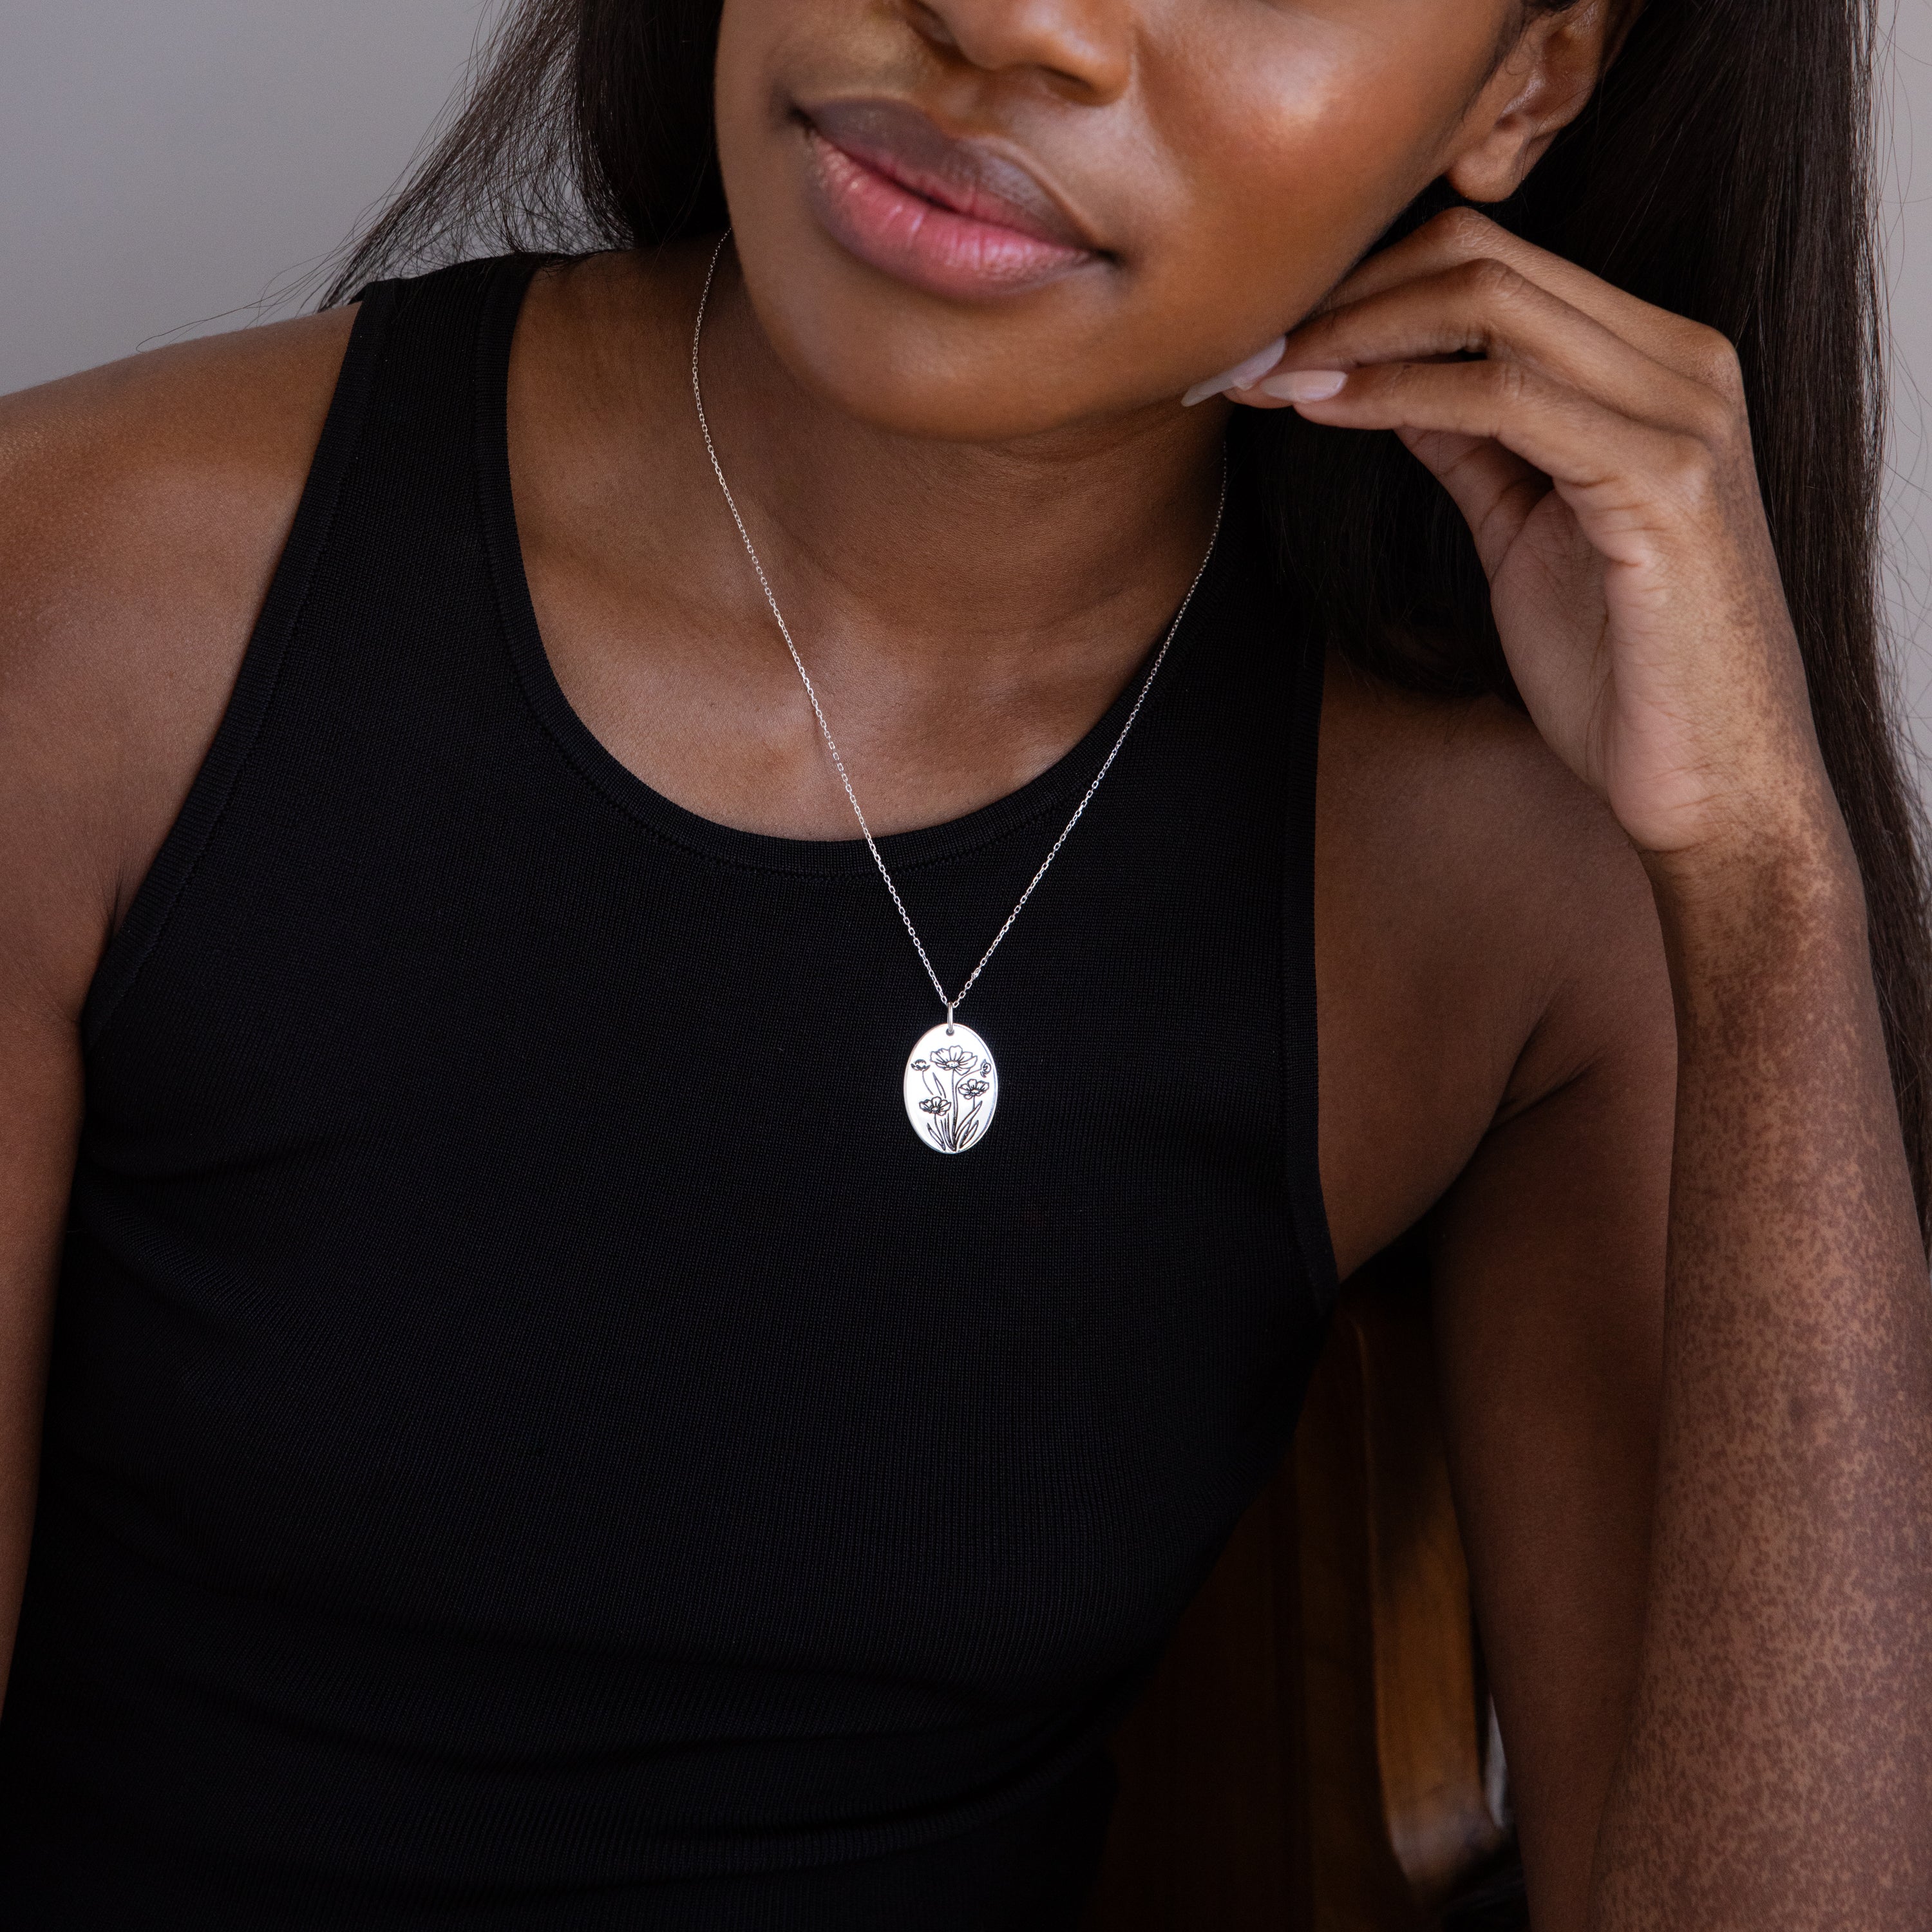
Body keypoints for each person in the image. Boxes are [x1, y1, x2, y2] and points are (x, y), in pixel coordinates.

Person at [1, 0, 1927, 1924]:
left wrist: (1770, 889)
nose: (1011, 19)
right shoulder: (89, 609)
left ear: (1525, 87)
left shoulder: (1497, 889)